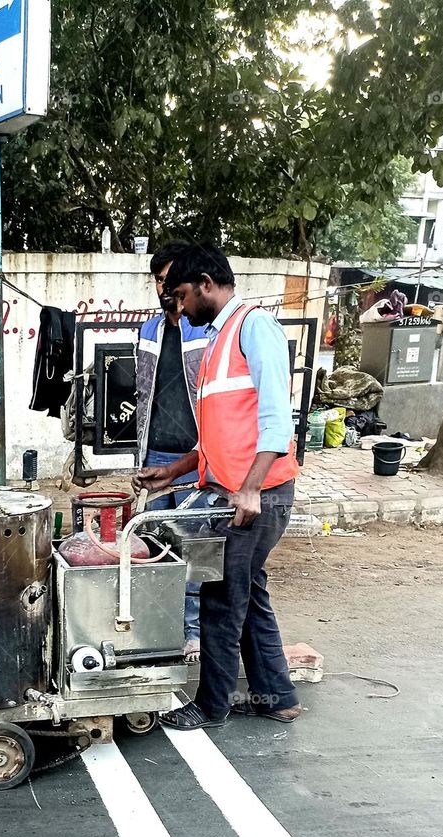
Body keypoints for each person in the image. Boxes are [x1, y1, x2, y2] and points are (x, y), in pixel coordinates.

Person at [133, 243, 301, 730]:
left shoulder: (254, 326)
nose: (180, 307)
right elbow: (219, 435)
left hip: (256, 496)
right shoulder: (216, 340)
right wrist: (175, 470)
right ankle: (277, 696)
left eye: (183, 295)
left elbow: (276, 419)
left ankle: (212, 705)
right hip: (237, 490)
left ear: (207, 283)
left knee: (222, 600)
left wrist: (249, 489)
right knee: (250, 594)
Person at [136, 242, 210, 661]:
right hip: (156, 455)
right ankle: (157, 630)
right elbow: (142, 392)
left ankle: (192, 634)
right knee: (153, 549)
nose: (163, 287)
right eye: (158, 280)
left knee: (192, 553)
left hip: (196, 457)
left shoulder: (206, 330)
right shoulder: (148, 330)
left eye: (168, 278)